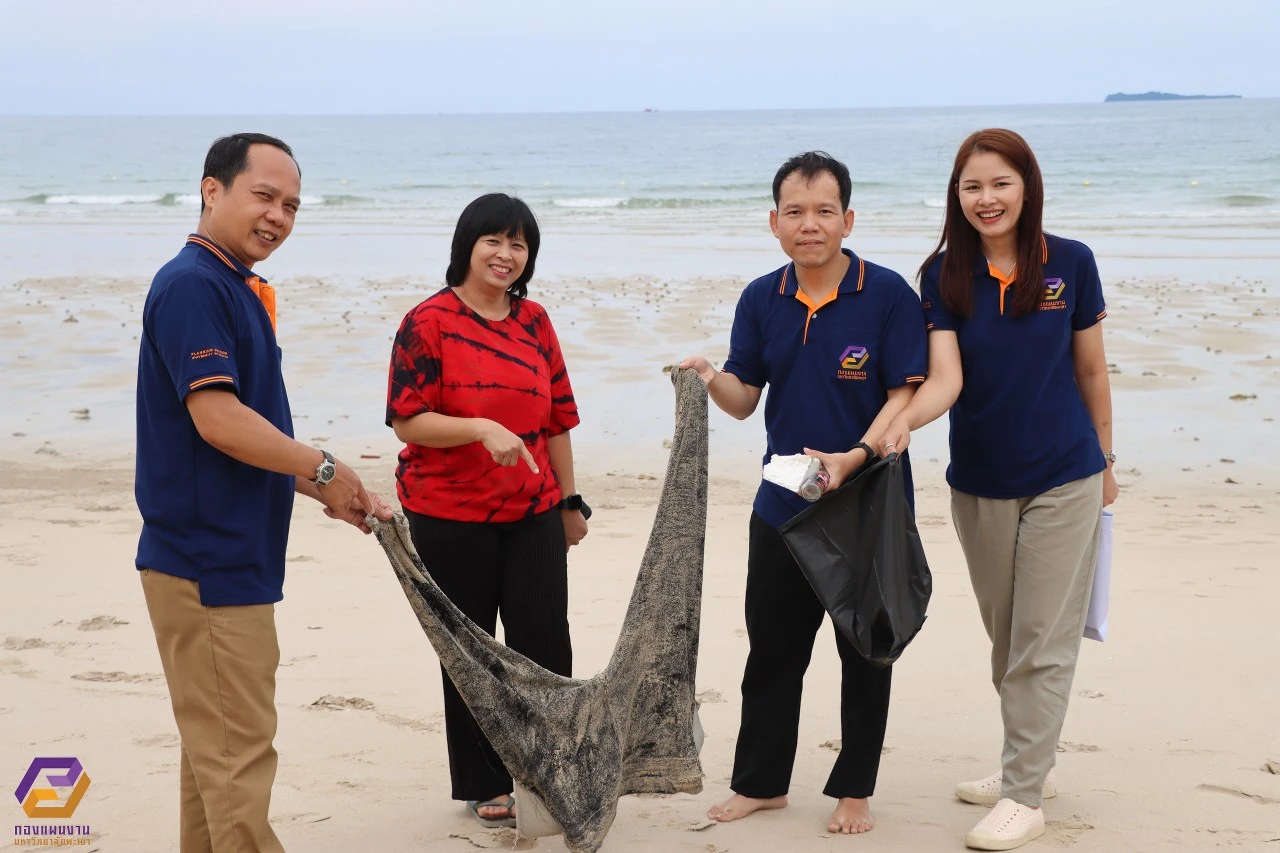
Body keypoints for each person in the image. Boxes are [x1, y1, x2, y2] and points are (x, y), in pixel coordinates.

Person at [135, 132, 394, 853]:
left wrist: (324, 490)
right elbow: (217, 420)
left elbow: (252, 430)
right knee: (240, 761)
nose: (278, 216)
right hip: (205, 561)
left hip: (228, 557)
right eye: (264, 196)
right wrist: (321, 464)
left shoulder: (235, 285)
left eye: (292, 205)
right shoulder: (195, 284)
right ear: (211, 190)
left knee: (213, 760)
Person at [878, 128, 1118, 851]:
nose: (988, 199)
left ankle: (1024, 793)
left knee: (1041, 640)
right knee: (1008, 636)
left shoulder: (1071, 264)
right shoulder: (942, 275)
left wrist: (1106, 460)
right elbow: (945, 378)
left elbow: (1093, 371)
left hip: (1066, 473)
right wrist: (900, 425)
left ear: (1027, 186)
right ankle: (1031, 761)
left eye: (1001, 183)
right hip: (978, 481)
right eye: (972, 186)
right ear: (958, 196)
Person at [680, 151, 927, 835]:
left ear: (848, 219)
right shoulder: (763, 297)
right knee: (773, 652)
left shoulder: (887, 296)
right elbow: (743, 397)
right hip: (783, 504)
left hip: (867, 501)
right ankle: (761, 783)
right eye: (795, 211)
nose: (809, 223)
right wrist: (708, 375)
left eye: (824, 211)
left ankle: (854, 790)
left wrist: (854, 458)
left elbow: (905, 393)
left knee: (866, 651)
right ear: (774, 222)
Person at [385, 192, 588, 828]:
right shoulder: (429, 322)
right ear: (467, 246)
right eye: (494, 241)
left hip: (532, 511)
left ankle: (550, 770)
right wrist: (479, 427)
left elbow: (558, 418)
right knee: (471, 653)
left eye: (519, 244)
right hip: (448, 515)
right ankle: (484, 781)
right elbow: (407, 421)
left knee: (544, 646)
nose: (506, 255)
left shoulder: (535, 323)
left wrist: (569, 499)